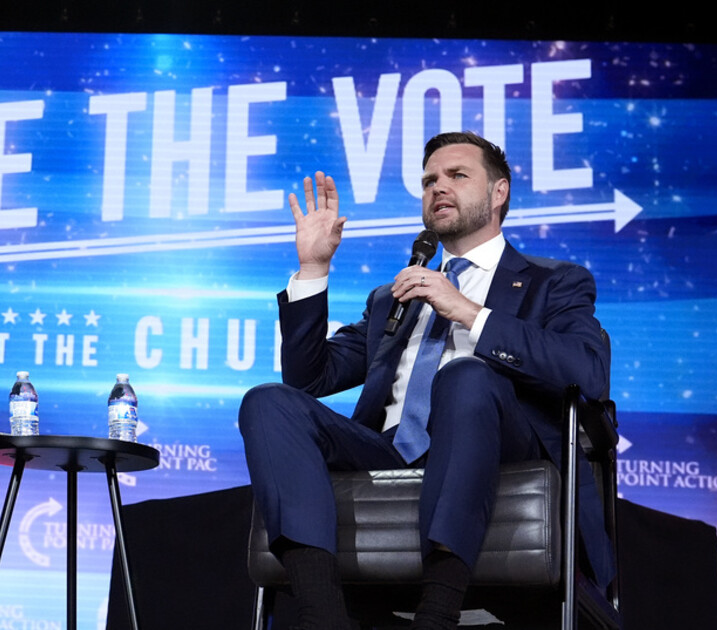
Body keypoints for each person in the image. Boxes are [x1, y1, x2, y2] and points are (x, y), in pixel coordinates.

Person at [238, 131, 614, 629]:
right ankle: (322, 614)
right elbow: (307, 380)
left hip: (503, 451)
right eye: (429, 180)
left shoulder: (554, 281)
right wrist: (313, 267)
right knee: (268, 402)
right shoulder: (394, 297)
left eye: (457, 175)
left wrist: (468, 312)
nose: (438, 187)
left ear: (498, 192)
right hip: (393, 452)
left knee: (466, 376)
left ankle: (437, 614)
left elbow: (587, 370)